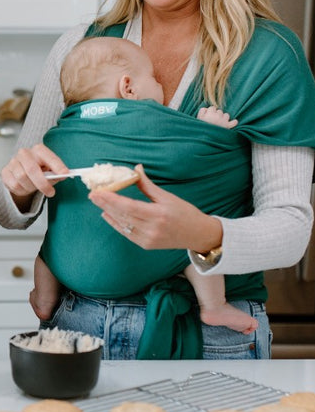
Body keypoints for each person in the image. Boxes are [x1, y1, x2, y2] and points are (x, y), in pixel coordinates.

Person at [0, 0, 315, 360]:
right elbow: (13, 211)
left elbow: (290, 230)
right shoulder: (82, 47)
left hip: (209, 331)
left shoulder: (267, 57)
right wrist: (18, 187)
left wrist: (201, 231)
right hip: (78, 327)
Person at [30, 36, 258, 336]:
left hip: (70, 271)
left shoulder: (57, 136)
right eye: (153, 77)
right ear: (128, 87)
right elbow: (190, 154)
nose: (159, 85)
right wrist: (210, 130)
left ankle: (44, 299)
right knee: (193, 240)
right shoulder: (149, 119)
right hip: (140, 255)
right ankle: (214, 306)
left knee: (48, 252)